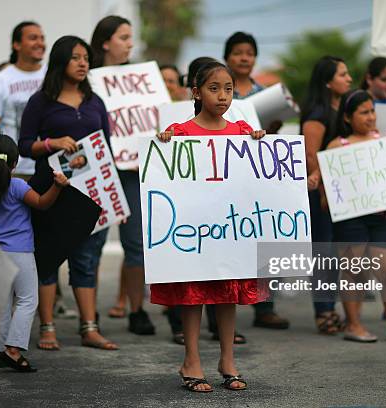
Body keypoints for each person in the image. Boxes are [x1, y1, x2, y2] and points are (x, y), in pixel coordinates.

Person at [154, 61, 267, 392]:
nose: (222, 96)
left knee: (227, 293)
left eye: (228, 89)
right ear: (196, 92)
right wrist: (165, 144)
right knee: (193, 294)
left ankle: (227, 360)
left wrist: (260, 143)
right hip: (195, 233)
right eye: (213, 88)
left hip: (229, 231)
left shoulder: (242, 132)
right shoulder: (181, 133)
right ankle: (191, 360)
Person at [19, 35, 118, 351]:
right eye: (76, 57)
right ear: (61, 62)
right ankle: (47, 327)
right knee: (47, 259)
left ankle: (89, 328)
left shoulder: (95, 102)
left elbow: (108, 148)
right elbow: (24, 146)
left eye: (86, 57)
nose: (83, 63)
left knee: (85, 260)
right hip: (50, 192)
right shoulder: (40, 102)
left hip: (90, 195)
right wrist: (52, 144)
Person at [327, 89, 386, 343]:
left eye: (372, 111)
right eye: (364, 112)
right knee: (353, 271)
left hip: (380, 216)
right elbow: (330, 196)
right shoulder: (337, 147)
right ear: (347, 117)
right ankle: (353, 325)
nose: (371, 117)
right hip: (351, 219)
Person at [0, 134, 68, 372]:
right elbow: (42, 203)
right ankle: (13, 349)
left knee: (3, 304)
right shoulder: (17, 186)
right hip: (21, 253)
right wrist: (57, 186)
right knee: (27, 300)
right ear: (15, 163)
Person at [90, 15, 155, 335]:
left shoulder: (141, 80)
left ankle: (137, 310)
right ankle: (91, 315)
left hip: (132, 171)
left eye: (131, 38)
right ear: (105, 42)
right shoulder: (88, 79)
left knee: (136, 243)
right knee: (93, 241)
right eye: (124, 37)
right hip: (100, 170)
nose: (130, 44)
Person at [224, 31, 289, 329]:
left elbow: (270, 139)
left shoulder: (266, 95)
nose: (244, 58)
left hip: (258, 177)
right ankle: (226, 311)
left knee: (265, 239)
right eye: (238, 52)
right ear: (227, 57)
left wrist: (273, 126)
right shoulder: (221, 93)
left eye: (249, 53)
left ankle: (265, 306)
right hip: (226, 179)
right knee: (229, 241)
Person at [300, 55, 351, 335]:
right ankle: (324, 310)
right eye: (343, 74)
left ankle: (332, 307)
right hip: (321, 193)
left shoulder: (342, 109)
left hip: (341, 194)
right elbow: (311, 156)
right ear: (328, 82)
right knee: (324, 250)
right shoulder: (317, 113)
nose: (349, 79)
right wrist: (322, 189)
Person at [0, 21, 46, 177]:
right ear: (17, 44)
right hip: (16, 169)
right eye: (33, 38)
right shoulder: (0, 81)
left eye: (42, 38)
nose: (40, 43)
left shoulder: (53, 76)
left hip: (51, 166)